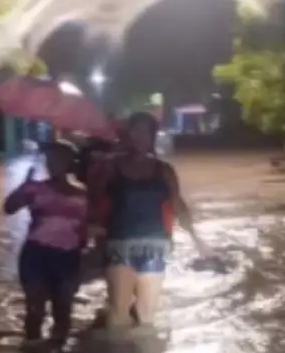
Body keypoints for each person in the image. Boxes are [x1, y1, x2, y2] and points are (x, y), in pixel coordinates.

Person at [89, 111, 208, 330]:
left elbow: (178, 205)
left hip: (155, 245)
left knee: (147, 316)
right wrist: (93, 235)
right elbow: (93, 202)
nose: (141, 136)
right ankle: (113, 349)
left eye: (147, 131)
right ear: (128, 134)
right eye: (137, 130)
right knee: (118, 313)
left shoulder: (164, 170)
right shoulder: (110, 167)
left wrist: (197, 240)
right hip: (119, 244)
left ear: (153, 136)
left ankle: (143, 349)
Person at [4, 140, 88, 345]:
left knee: (63, 311)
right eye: (50, 159)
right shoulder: (34, 188)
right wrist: (22, 188)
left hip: (68, 257)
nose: (53, 163)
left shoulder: (83, 195)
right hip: (36, 255)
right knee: (35, 310)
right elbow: (9, 208)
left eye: (59, 159)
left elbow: (88, 229)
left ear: (70, 163)